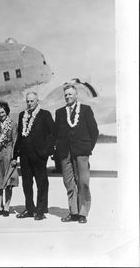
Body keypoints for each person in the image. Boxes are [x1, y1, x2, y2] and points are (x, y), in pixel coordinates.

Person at [55, 84, 99, 224]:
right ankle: (73, 212)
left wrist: (87, 148)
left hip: (81, 152)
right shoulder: (60, 112)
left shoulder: (85, 110)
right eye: (66, 95)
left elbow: (94, 131)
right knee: (69, 183)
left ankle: (83, 213)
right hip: (65, 153)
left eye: (70, 94)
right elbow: (57, 134)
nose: (68, 97)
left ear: (76, 95)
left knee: (83, 182)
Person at [14, 92, 55, 220]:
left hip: (39, 156)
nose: (29, 103)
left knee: (41, 183)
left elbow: (53, 134)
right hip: (25, 156)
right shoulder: (22, 115)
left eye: (32, 101)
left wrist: (46, 151)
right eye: (28, 101)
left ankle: (41, 210)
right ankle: (30, 209)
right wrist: (15, 155)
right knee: (27, 183)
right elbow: (20, 136)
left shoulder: (45, 114)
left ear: (38, 101)